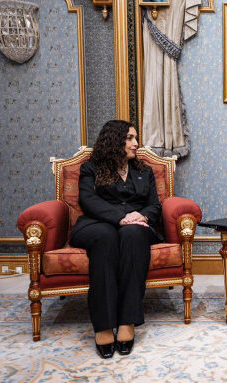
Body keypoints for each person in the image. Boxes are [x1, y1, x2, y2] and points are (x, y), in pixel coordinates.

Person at [69, 120, 163, 359]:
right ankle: (103, 325)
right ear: (114, 141)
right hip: (97, 224)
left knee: (133, 235)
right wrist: (121, 217)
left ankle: (126, 322)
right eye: (130, 138)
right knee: (105, 237)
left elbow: (154, 205)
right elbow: (88, 200)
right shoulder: (91, 168)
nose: (136, 143)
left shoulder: (144, 170)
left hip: (136, 226)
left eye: (135, 138)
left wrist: (141, 216)